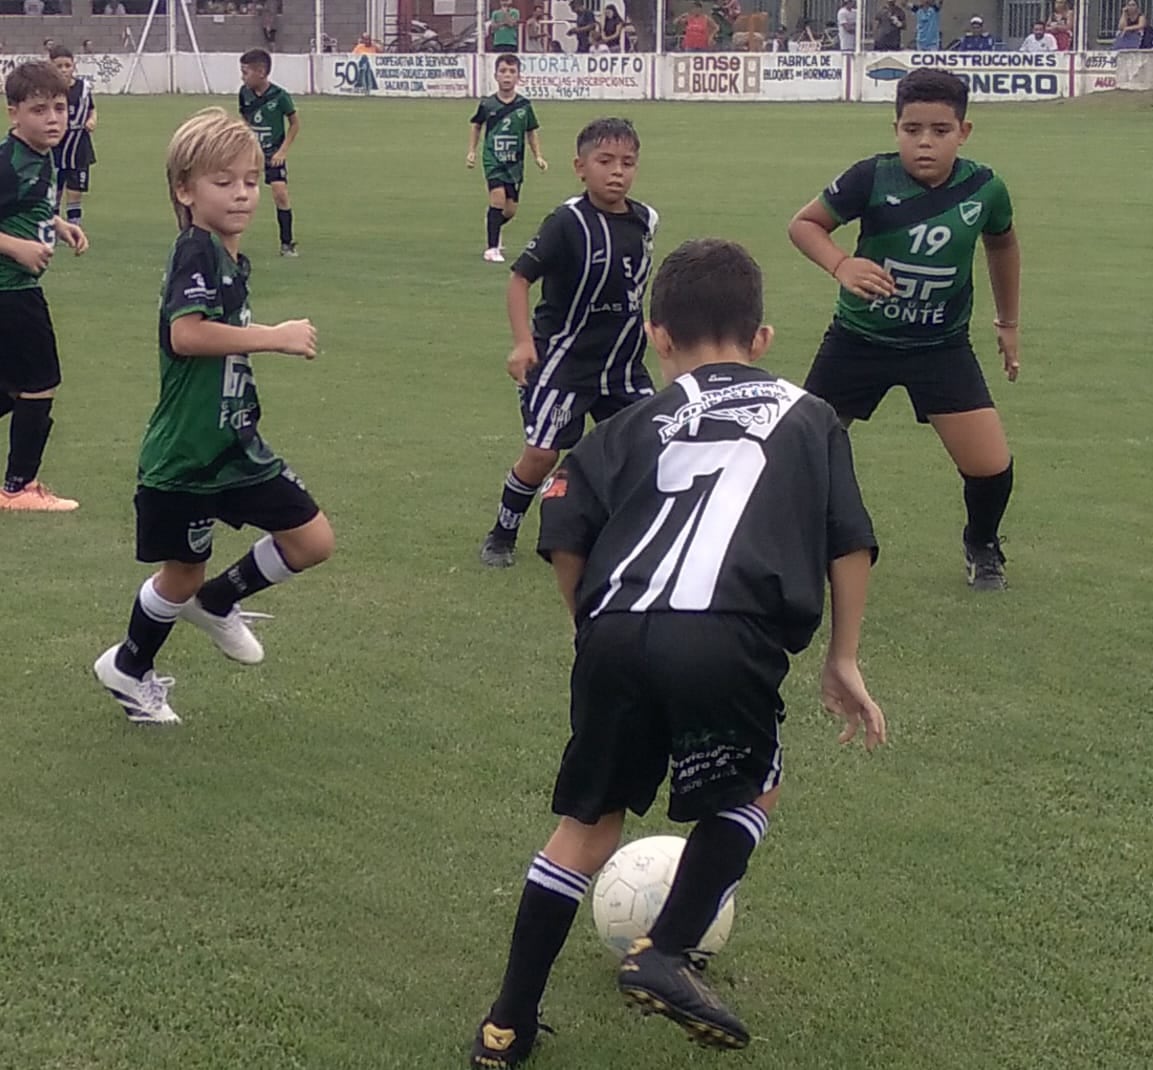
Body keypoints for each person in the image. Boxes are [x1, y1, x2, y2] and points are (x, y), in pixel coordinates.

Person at [468, 238, 886, 1068]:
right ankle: (663, 952)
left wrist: (589, 631)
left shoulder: (626, 425)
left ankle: (505, 1028)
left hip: (618, 628)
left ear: (658, 338)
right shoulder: (809, 417)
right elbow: (849, 545)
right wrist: (843, 659)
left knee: (583, 829)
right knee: (752, 789)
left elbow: (564, 539)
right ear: (762, 337)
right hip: (728, 631)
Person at [93, 108, 333, 726]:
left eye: (250, 180)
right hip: (185, 454)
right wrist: (272, 336)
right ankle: (129, 666)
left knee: (312, 540)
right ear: (185, 189)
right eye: (224, 181)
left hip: (233, 443)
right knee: (181, 572)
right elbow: (187, 336)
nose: (243, 193)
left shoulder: (227, 259)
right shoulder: (194, 251)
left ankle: (220, 600)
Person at [787, 68, 1019, 591]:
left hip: (940, 347)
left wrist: (1008, 323)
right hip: (857, 342)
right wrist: (842, 265)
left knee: (991, 465)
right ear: (896, 129)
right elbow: (804, 224)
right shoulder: (871, 177)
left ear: (964, 132)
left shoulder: (986, 188)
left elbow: (1002, 244)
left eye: (940, 130)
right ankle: (795, 547)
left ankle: (982, 544)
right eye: (912, 129)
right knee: (799, 450)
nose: (925, 142)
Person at [478, 118, 658, 569]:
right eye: (605, 161)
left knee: (652, 445)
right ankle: (502, 532)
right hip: (564, 362)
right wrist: (523, 343)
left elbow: (634, 287)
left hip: (622, 365)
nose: (617, 172)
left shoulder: (645, 220)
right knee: (541, 453)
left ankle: (628, 538)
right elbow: (520, 280)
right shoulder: (566, 222)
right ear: (580, 167)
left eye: (628, 163)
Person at [0, 61, 88, 514]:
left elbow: (30, 203)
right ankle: (19, 488)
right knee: (39, 383)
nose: (53, 118)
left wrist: (59, 224)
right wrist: (16, 247)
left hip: (14, 291)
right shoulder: (9, 163)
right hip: (11, 290)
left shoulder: (41, 155)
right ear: (13, 112)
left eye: (60, 107)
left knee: (10, 387)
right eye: (39, 109)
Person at [466, 54, 547, 264]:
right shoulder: (488, 104)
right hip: (493, 160)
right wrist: (472, 151)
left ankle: (493, 225)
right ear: (495, 75)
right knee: (498, 199)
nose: (507, 76)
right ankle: (492, 248)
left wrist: (538, 156)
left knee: (510, 210)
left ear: (519, 77)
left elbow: (531, 132)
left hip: (515, 163)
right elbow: (476, 125)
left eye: (511, 72)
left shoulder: (524, 106)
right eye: (503, 71)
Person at [238, 49, 299, 257]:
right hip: (252, 152)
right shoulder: (244, 94)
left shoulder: (280, 96)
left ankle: (287, 243)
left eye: (246, 72)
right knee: (235, 192)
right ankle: (227, 238)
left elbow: (294, 125)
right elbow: (244, 120)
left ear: (261, 72)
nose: (242, 77)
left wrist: (282, 151)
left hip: (273, 152)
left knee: (280, 194)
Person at [48, 46, 96, 231]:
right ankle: (53, 225)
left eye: (67, 65)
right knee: (55, 189)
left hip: (79, 146)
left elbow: (91, 108)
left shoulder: (83, 88)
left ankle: (74, 225)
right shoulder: (48, 90)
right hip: (57, 146)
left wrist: (92, 120)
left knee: (75, 190)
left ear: (73, 66)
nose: (63, 70)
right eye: (58, 66)